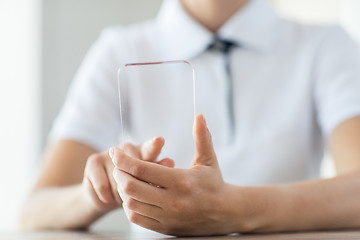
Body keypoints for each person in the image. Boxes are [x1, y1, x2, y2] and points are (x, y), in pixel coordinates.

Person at [20, 0, 360, 236]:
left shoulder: (324, 45)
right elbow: (33, 211)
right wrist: (95, 192)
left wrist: (234, 209)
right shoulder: (119, 50)